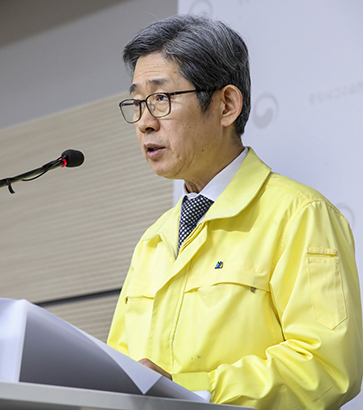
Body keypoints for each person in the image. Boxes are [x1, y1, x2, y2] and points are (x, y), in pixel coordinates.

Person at [107, 14, 363, 409]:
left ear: (226, 105)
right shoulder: (154, 240)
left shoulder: (301, 214)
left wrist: (191, 392)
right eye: (138, 103)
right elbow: (119, 371)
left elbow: (327, 365)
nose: (144, 123)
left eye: (160, 99)